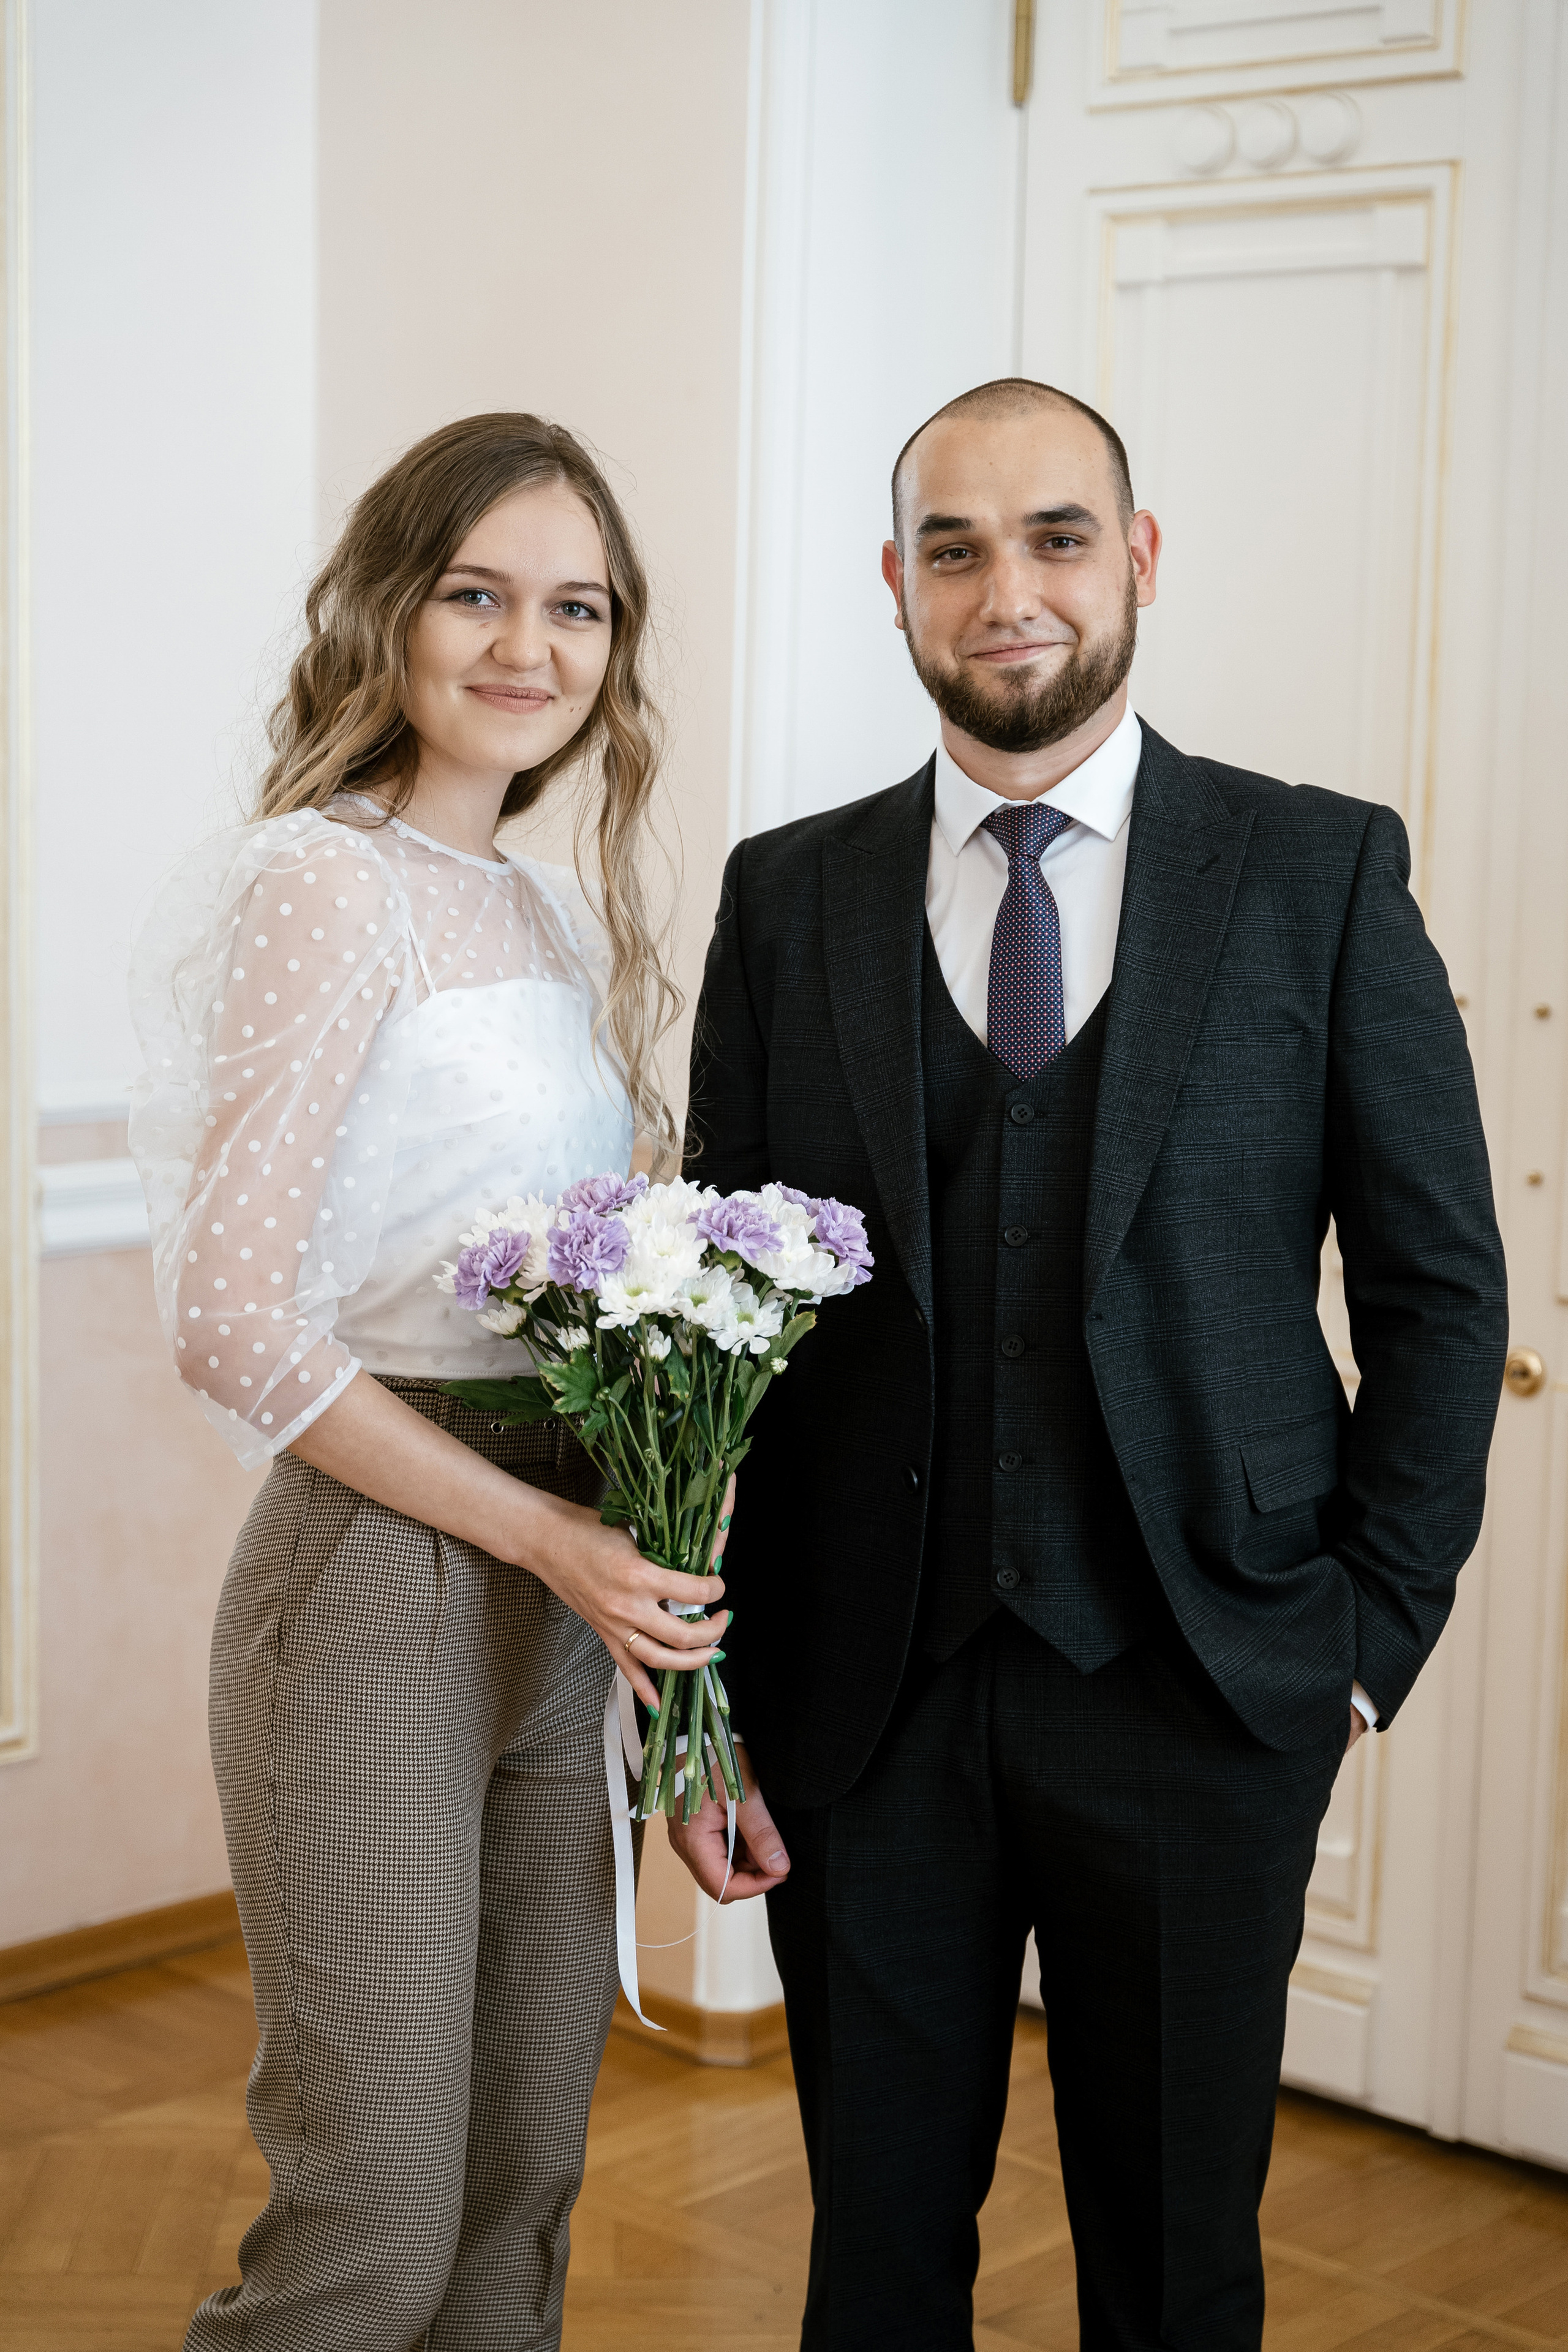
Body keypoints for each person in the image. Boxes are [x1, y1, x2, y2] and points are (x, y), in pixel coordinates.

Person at [671, 378, 1508, 2350]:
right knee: (874, 2262)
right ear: (895, 586)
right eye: (952, 547)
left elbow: (1442, 1290)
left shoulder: (1317, 874)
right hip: (859, 1712)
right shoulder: (785, 897)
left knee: (1174, 2267)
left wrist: (1362, 1637)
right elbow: (717, 1333)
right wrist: (698, 1716)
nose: (1007, 590)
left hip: (1205, 1691)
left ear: (1136, 562)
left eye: (1055, 537)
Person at [129, 413, 731, 2351]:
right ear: (390, 609)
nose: (525, 646)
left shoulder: (553, 914)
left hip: (565, 1583)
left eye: (576, 607)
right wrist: (546, 1537)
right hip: (381, 1576)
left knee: (514, 2216)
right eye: (476, 593)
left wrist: (638, 1589)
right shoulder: (326, 882)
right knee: (373, 2232)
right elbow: (233, 1315)